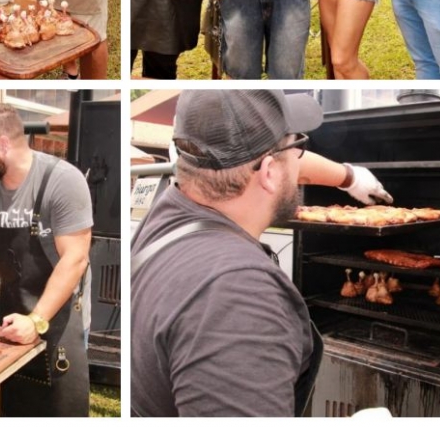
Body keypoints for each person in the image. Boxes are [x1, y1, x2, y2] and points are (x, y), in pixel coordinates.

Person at [130, 90, 394, 416]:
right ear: (269, 172)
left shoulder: (169, 211)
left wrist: (349, 177)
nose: (300, 158)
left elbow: (266, 161)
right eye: (296, 146)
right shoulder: (237, 295)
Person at [0, 104, 92, 416]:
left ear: (2, 145)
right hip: (12, 317)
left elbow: (75, 259)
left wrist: (37, 320)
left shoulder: (62, 181)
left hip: (58, 318)